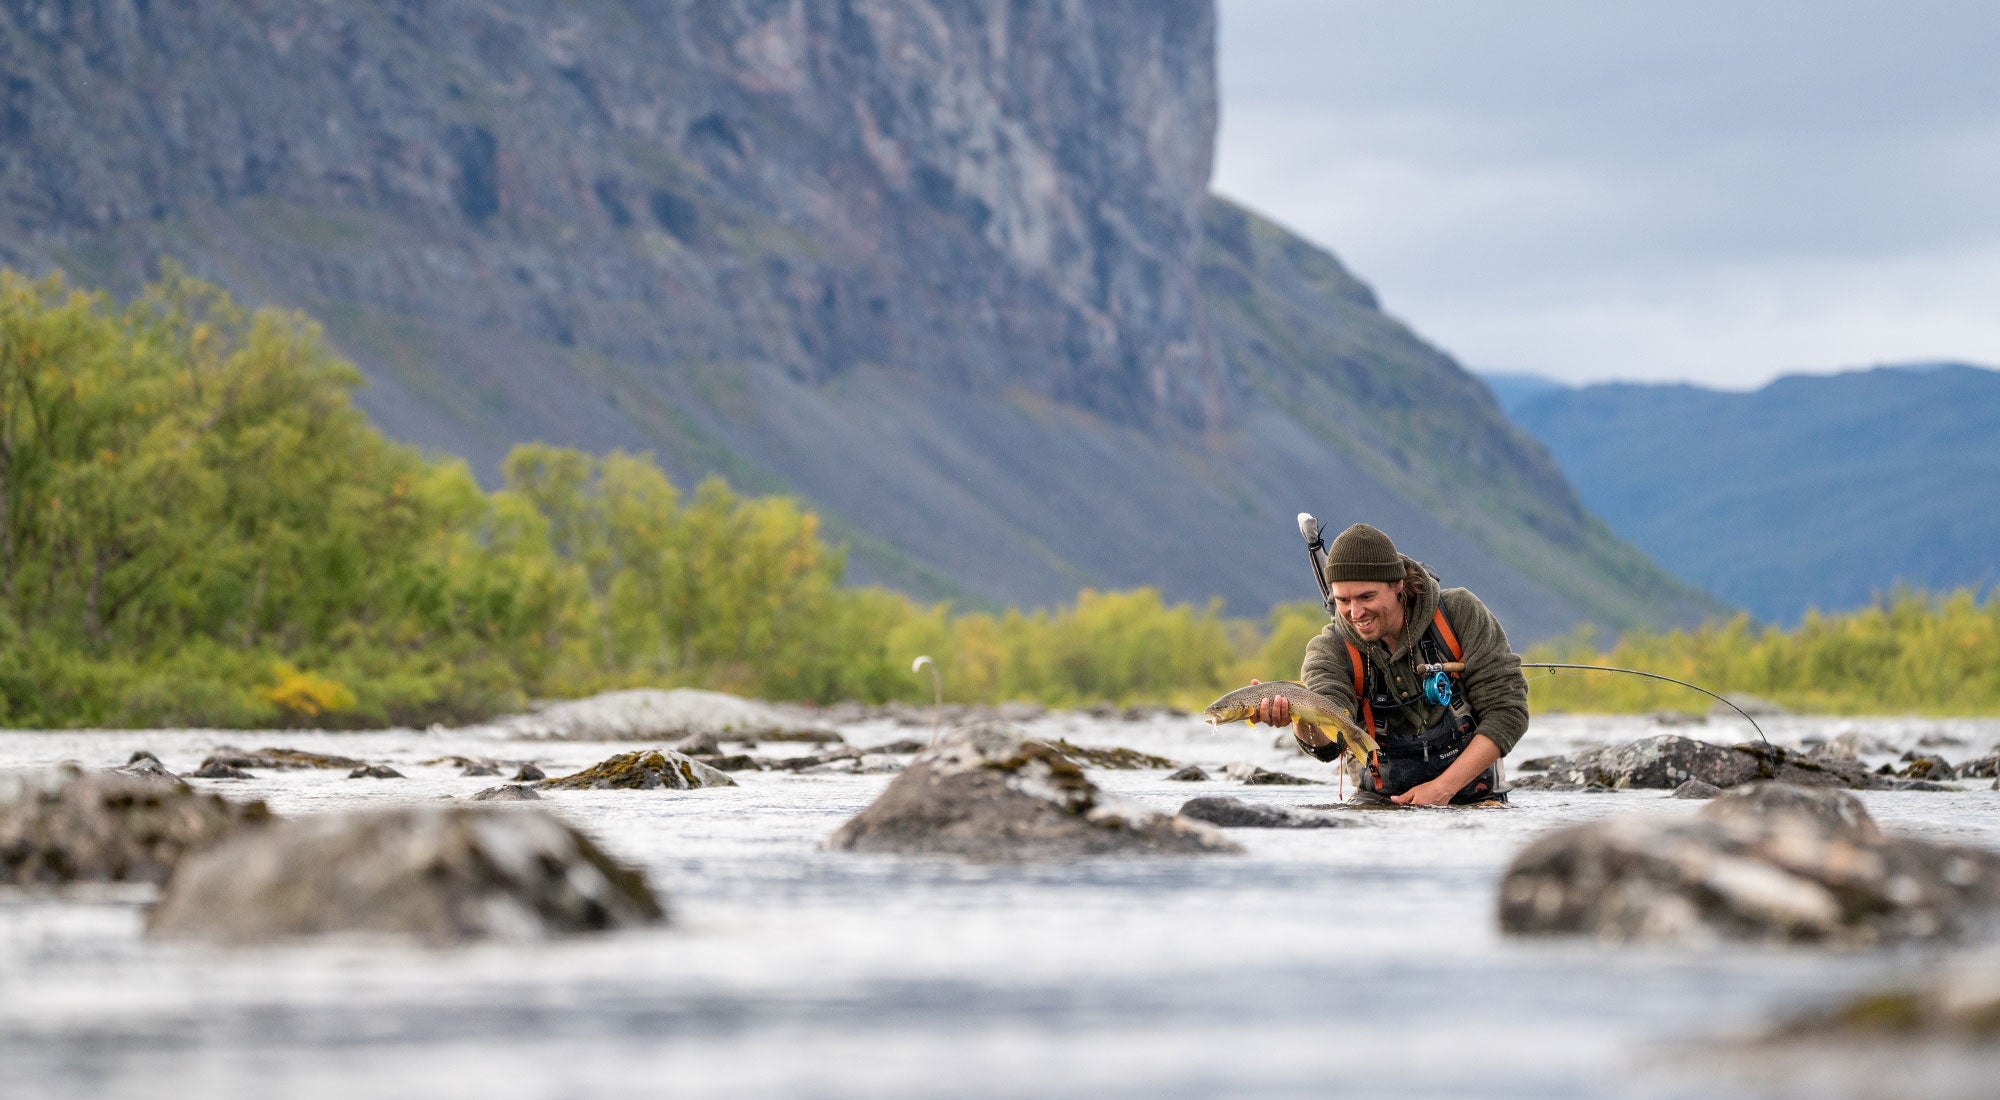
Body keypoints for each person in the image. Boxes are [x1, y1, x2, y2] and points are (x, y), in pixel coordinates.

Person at [1249, 523, 1528, 806]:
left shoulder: (1459, 614)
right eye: (1343, 600)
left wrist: (1443, 789)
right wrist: (1302, 720)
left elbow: (1508, 713)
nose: (1355, 613)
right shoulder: (1329, 649)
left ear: (1398, 585)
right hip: (1378, 808)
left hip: (1476, 802)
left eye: (1366, 597)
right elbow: (1329, 748)